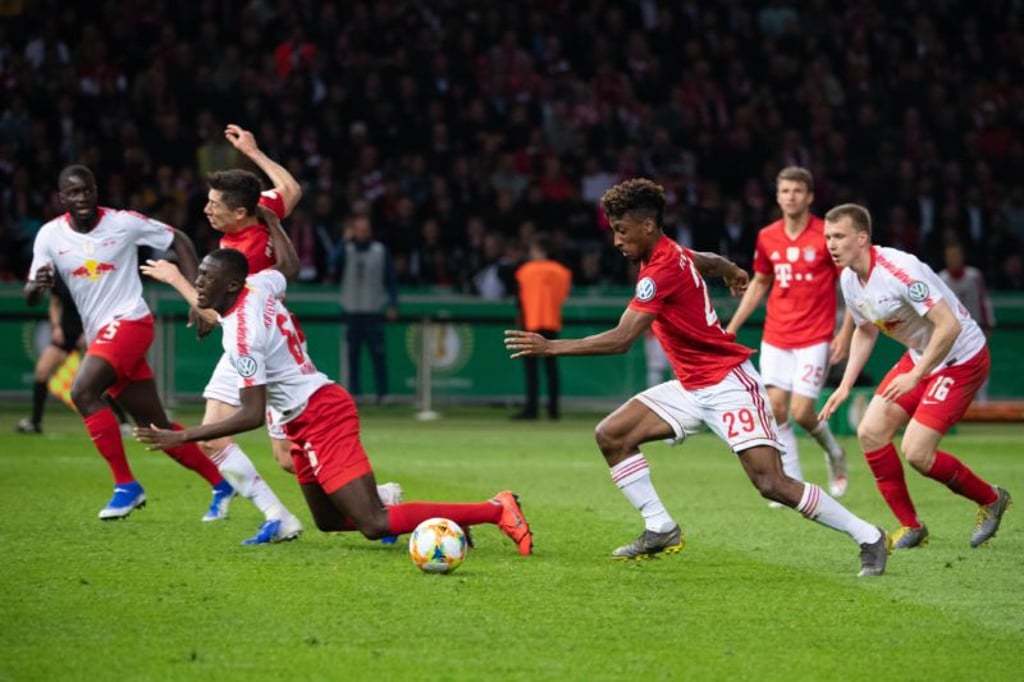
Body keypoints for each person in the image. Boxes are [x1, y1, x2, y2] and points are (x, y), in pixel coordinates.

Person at [505, 179, 889, 576]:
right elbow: (703, 260)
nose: (616, 240)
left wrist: (550, 346)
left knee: (771, 483)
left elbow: (621, 339)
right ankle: (660, 527)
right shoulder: (670, 253)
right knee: (612, 435)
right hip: (691, 386)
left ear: (648, 226)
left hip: (728, 384)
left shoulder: (661, 269)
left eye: (622, 230)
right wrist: (733, 270)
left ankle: (868, 536)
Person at [135, 249, 533, 557]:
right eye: (199, 274)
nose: (199, 282)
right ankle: (433, 517)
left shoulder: (243, 337)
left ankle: (496, 509)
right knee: (327, 521)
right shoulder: (259, 286)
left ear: (233, 285)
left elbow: (252, 415)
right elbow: (287, 265)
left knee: (374, 525)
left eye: (207, 276)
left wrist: (185, 435)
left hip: (322, 413)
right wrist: (273, 223)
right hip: (300, 418)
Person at [25, 164, 232, 520]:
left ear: (96, 191)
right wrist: (36, 286)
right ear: (62, 199)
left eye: (88, 190)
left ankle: (126, 486)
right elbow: (31, 295)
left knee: (83, 391)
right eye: (74, 193)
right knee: (156, 428)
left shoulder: (123, 222)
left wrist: (199, 299)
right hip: (101, 334)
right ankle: (222, 484)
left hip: (131, 320)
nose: (83, 198)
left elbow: (178, 239)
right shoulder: (49, 236)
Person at [819, 203, 1012, 550]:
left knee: (917, 452)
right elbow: (864, 331)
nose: (831, 244)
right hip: (922, 356)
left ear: (862, 238)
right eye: (828, 237)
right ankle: (911, 526)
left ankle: (991, 499)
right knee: (871, 433)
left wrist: (917, 375)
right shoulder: (849, 277)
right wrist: (846, 385)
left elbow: (949, 325)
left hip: (960, 357)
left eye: (839, 236)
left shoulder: (900, 270)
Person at [724, 166, 850, 499]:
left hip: (815, 335)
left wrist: (846, 332)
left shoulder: (827, 234)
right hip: (777, 334)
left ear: (809, 197)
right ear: (777, 197)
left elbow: (850, 284)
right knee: (775, 409)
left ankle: (835, 453)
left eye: (797, 191)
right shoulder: (767, 236)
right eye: (785, 191)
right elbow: (760, 283)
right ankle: (791, 481)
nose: (790, 197)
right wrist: (733, 326)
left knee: (802, 413)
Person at [17, 273, 132, 436]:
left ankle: (123, 422)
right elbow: (55, 303)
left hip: (92, 333)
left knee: (99, 381)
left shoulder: (91, 275)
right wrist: (56, 327)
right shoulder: (60, 275)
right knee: (42, 371)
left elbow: (102, 306)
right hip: (66, 333)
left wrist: (88, 332)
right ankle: (35, 423)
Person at [329, 214, 398, 405]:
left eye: (365, 229)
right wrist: (343, 241)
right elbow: (332, 263)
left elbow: (390, 279)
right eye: (358, 229)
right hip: (351, 310)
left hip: (373, 310)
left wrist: (393, 304)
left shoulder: (380, 250)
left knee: (378, 354)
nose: (362, 233)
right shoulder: (346, 249)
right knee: (352, 355)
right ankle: (355, 394)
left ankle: (382, 394)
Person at [510, 234, 572, 420]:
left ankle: (532, 409)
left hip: (531, 323)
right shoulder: (561, 272)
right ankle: (553, 410)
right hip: (551, 322)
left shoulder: (524, 271)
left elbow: (520, 299)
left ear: (537, 250)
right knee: (552, 369)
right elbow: (563, 297)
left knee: (531, 370)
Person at [938, 240, 995, 401]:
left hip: (975, 329)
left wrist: (989, 323)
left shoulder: (974, 276)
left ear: (963, 257)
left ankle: (982, 405)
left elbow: (984, 301)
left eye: (956, 255)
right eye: (950, 256)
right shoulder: (941, 278)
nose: (953, 259)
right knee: (950, 368)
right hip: (952, 331)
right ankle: (953, 403)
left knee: (980, 366)